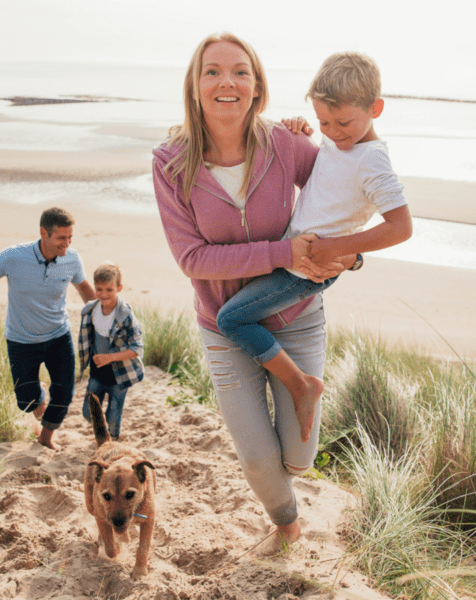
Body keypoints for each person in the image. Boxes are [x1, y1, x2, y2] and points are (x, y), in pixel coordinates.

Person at [152, 32, 360, 554]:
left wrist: (353, 254)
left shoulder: (288, 145)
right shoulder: (171, 162)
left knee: (298, 457)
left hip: (296, 314)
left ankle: (301, 397)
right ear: (195, 87)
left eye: (241, 71)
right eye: (213, 71)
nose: (227, 81)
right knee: (257, 458)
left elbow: (344, 196)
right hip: (222, 322)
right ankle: (287, 524)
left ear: (257, 86)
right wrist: (283, 253)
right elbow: (191, 258)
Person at [216, 51, 412, 443]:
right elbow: (324, 182)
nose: (334, 132)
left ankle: (301, 385)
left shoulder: (372, 161)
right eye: (324, 120)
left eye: (343, 122)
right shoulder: (338, 140)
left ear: (376, 109)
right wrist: (301, 128)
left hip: (305, 271)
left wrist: (337, 248)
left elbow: (401, 227)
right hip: (294, 258)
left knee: (230, 320)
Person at [0, 207, 96, 450]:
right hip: (21, 340)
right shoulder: (14, 256)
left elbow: (84, 289)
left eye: (70, 238)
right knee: (27, 402)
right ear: (43, 233)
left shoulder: (72, 259)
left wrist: (101, 319)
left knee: (65, 395)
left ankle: (45, 438)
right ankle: (39, 394)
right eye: (61, 238)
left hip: (59, 336)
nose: (66, 244)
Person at [78, 261, 144, 440]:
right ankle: (103, 432)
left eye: (109, 289)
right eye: (99, 289)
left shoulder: (125, 315)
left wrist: (110, 358)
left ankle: (110, 441)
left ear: (119, 288)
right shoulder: (90, 311)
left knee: (113, 417)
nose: (103, 294)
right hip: (97, 373)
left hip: (119, 376)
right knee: (87, 412)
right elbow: (86, 341)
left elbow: (137, 348)